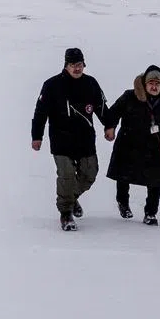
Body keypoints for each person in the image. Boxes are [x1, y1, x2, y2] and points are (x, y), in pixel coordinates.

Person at [31, 47, 114, 231]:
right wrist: (37, 136)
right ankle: (66, 213)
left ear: (84, 64)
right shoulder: (52, 85)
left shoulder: (91, 83)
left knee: (89, 174)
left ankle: (71, 198)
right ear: (65, 65)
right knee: (67, 175)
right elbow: (40, 113)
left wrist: (109, 126)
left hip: (85, 139)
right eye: (72, 65)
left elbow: (101, 108)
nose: (77, 68)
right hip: (61, 139)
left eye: (79, 65)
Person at [105, 65, 160, 226]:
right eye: (151, 83)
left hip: (151, 147)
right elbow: (113, 112)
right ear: (145, 84)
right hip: (128, 143)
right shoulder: (129, 96)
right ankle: (123, 203)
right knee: (123, 176)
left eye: (157, 84)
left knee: (155, 182)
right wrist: (110, 127)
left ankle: (150, 213)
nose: (154, 87)